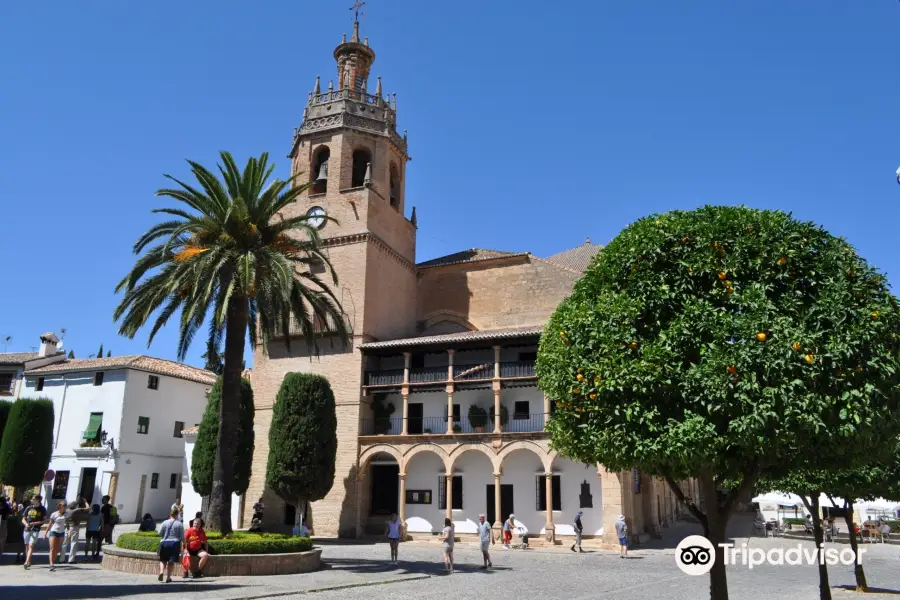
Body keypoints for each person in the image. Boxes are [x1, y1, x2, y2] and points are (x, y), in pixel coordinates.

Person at [157, 508, 184, 583]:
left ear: (170, 514)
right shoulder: (179, 524)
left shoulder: (165, 522)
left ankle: (161, 572)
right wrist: (184, 544)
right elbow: (182, 537)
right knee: (171, 561)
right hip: (174, 544)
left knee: (163, 559)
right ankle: (168, 577)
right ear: (177, 514)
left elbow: (159, 533)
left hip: (164, 543)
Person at [21, 495, 47, 570]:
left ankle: (26, 561)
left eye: (33, 499)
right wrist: (26, 524)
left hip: (35, 529)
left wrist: (35, 523)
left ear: (38, 500)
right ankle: (28, 560)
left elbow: (45, 520)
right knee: (27, 545)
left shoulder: (42, 509)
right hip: (27, 529)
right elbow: (23, 519)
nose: (31, 500)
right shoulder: (28, 508)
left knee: (31, 545)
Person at [64, 498, 89, 564]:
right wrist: (86, 502)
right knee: (73, 543)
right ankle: (71, 559)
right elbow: (87, 508)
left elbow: (66, 520)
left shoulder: (67, 510)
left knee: (65, 543)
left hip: (68, 527)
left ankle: (61, 558)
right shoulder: (76, 510)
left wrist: (68, 528)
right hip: (74, 527)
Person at [45, 501, 68, 572]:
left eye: (65, 506)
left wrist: (69, 530)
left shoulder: (66, 514)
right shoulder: (54, 514)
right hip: (53, 531)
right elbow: (50, 524)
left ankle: (53, 560)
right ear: (60, 507)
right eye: (63, 506)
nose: (65, 507)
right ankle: (51, 564)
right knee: (52, 548)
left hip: (61, 532)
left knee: (57, 549)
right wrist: (45, 533)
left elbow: (68, 523)